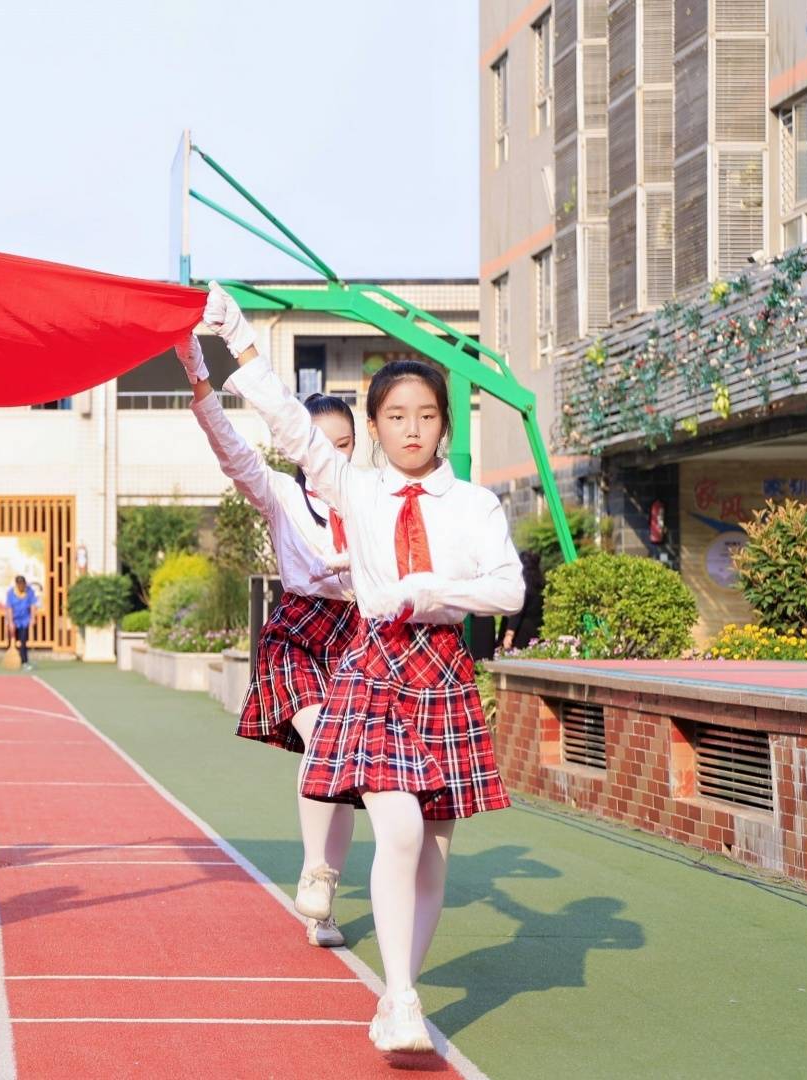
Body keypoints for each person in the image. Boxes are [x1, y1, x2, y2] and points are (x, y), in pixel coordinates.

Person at [214, 282, 522, 1055]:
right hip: (374, 667)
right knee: (401, 827)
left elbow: (508, 588)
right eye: (395, 416)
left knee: (435, 852)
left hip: (444, 668)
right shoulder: (353, 485)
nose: (411, 428)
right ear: (375, 429)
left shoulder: (473, 505)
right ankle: (409, 998)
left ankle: (394, 993)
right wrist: (236, 335)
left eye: (424, 414)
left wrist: (434, 590)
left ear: (445, 421)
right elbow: (287, 423)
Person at [176, 324, 359, 949]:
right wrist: (200, 377)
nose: (330, 454)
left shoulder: (366, 498)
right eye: (320, 442)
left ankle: (323, 894)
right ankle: (316, 872)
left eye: (343, 444)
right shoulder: (281, 494)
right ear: (299, 444)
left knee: (348, 767)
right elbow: (232, 450)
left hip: (357, 636)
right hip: (300, 634)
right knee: (327, 742)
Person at [502, 550, 545, 651]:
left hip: (521, 630)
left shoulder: (523, 586)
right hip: (536, 627)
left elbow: (518, 610)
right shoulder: (540, 584)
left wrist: (509, 633)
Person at [4, 574, 36, 671]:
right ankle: (14, 658)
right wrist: (10, 622)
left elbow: (33, 605)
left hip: (24, 619)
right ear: (16, 584)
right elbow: (9, 608)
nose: (21, 586)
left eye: (23, 584)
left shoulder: (29, 592)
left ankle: (24, 661)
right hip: (14, 618)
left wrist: (33, 618)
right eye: (19, 584)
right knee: (12, 640)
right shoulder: (11, 593)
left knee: (23, 640)